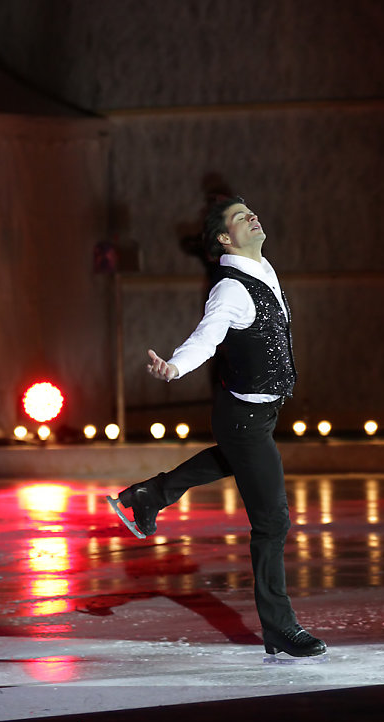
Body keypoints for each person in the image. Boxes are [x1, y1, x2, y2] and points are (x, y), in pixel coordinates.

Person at [107, 196, 326, 659]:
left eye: (250, 210)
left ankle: (150, 495)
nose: (252, 216)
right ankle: (279, 627)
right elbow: (207, 336)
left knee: (232, 457)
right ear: (225, 238)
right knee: (272, 521)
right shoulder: (229, 288)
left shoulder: (263, 267)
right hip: (244, 416)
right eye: (238, 217)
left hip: (254, 414)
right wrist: (174, 367)